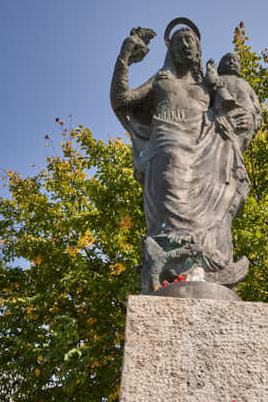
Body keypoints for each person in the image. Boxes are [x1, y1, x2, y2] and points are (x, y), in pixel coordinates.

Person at [110, 18, 260, 292]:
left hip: (209, 148)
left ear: (199, 49)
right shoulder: (161, 79)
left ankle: (208, 262)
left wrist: (219, 88)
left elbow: (235, 114)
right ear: (172, 50)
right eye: (180, 42)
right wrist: (125, 56)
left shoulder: (208, 84)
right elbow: (122, 100)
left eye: (191, 41)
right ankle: (170, 262)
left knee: (218, 208)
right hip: (168, 144)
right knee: (171, 203)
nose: (187, 45)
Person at [205, 52, 262, 152]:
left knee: (236, 148)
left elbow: (256, 105)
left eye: (234, 60)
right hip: (223, 116)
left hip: (246, 117)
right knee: (223, 148)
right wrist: (210, 75)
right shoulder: (219, 79)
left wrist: (256, 120)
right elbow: (207, 97)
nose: (231, 62)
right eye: (227, 60)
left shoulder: (245, 84)